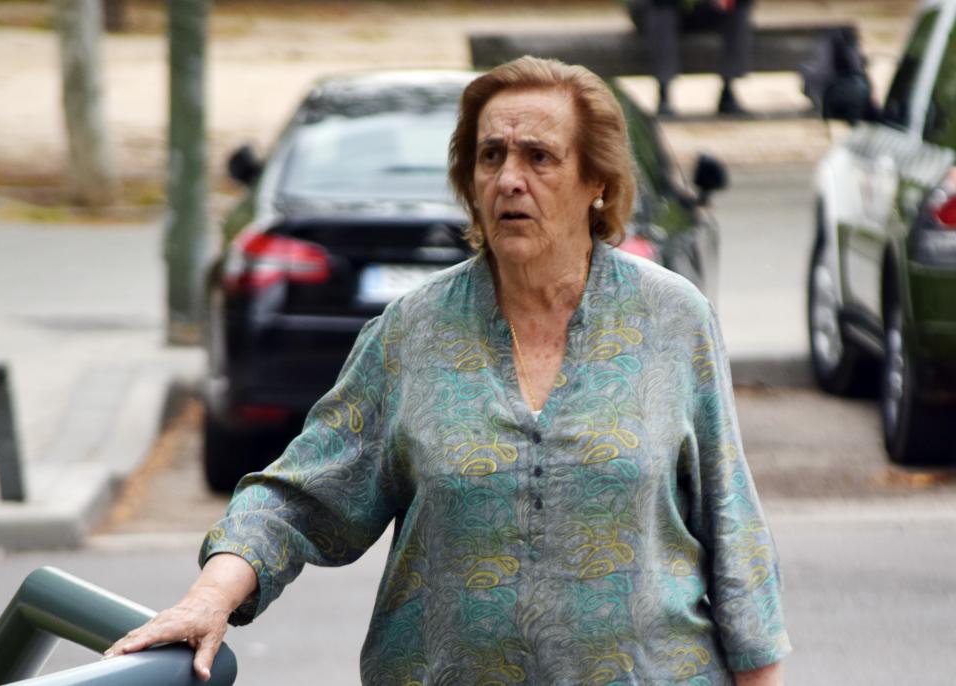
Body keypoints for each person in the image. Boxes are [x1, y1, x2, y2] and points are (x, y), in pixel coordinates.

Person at [105, 56, 790, 684]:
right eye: (490, 156)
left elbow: (734, 532)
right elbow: (296, 498)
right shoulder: (413, 332)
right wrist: (208, 598)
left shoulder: (672, 319)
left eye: (539, 157)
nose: (509, 179)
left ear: (597, 184)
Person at [646, 0, 755, 116]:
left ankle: (728, 88)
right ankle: (663, 91)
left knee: (738, 7)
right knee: (663, 13)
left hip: (707, 9)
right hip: (661, 10)